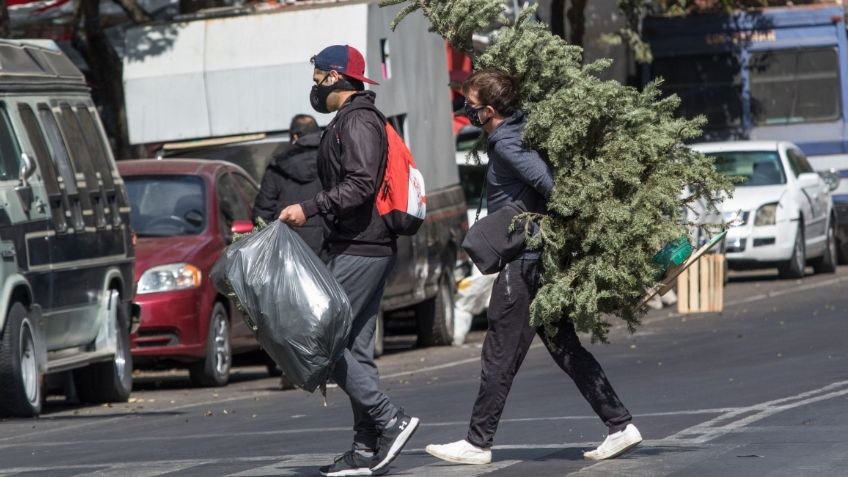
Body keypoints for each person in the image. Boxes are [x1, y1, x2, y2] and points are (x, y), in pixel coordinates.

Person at [425, 68, 642, 465]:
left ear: (489, 110)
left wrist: (553, 217)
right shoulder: (515, 131)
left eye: (471, 107)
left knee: (499, 354)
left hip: (525, 263)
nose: (466, 111)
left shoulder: (509, 144)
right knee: (565, 348)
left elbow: (551, 186)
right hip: (535, 259)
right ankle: (620, 424)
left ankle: (477, 442)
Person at [278, 44, 419, 477]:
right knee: (354, 347)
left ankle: (389, 419)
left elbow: (359, 184)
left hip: (362, 245)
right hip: (361, 244)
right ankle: (365, 447)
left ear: (336, 77)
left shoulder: (357, 121)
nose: (314, 85)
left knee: (324, 340)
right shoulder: (353, 119)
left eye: (318, 76)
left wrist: (310, 207)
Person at [253, 114, 325, 256]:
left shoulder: (278, 166)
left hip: (288, 253)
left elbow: (262, 214)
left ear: (295, 136)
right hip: (329, 250)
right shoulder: (333, 158)